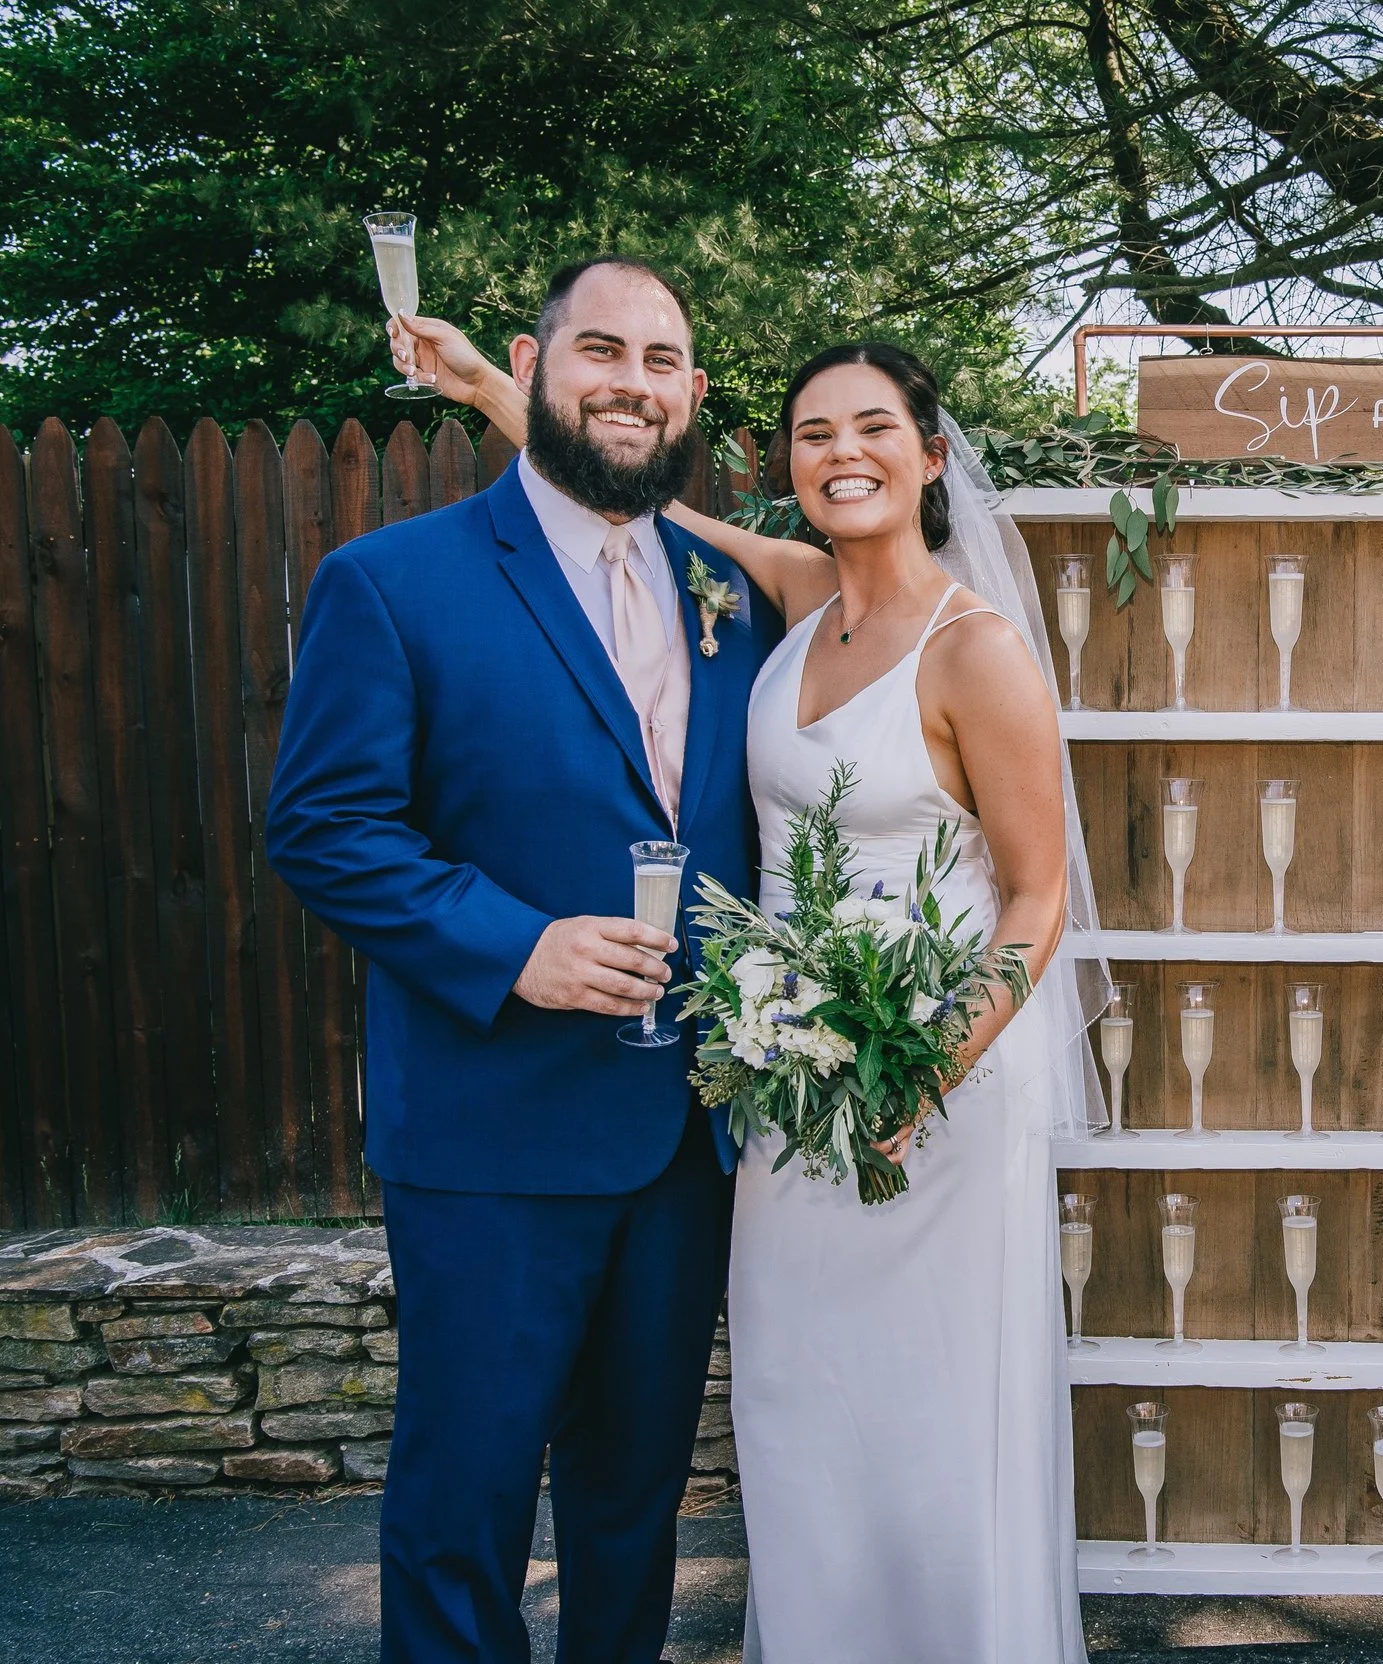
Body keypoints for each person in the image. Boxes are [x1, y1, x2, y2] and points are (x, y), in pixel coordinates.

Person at [395, 316, 1100, 1662]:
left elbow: (1037, 898)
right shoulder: (791, 593)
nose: (843, 453)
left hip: (932, 1105)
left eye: (873, 429)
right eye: (815, 433)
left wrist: (928, 1064)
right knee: (799, 1412)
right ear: (786, 462)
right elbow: (635, 503)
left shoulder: (978, 651)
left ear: (931, 455)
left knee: (931, 1426)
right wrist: (497, 386)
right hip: (785, 1101)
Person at [266, 257, 780, 1664]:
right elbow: (321, 827)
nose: (632, 379)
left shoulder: (732, 594)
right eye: (600, 349)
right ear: (534, 363)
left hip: (683, 1139)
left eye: (662, 358)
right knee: (464, 1501)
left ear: (692, 393)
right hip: (490, 1134)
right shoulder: (393, 582)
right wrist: (519, 947)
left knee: (634, 1505)